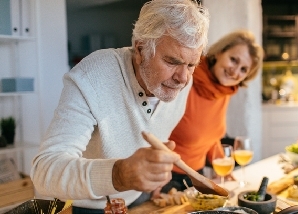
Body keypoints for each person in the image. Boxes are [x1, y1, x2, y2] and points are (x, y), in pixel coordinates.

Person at [30, 0, 209, 212]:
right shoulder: (93, 76)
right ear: (140, 48)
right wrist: (118, 174)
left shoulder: (177, 82)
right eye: (171, 62)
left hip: (134, 200)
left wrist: (153, 172)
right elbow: (45, 172)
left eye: (191, 65)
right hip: (78, 205)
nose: (183, 78)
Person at [161, 30, 263, 192]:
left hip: (197, 175)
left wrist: (223, 166)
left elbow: (210, 135)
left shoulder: (223, 91)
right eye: (233, 60)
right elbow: (154, 130)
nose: (235, 72)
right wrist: (157, 175)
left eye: (244, 69)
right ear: (219, 53)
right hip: (166, 178)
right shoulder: (185, 79)